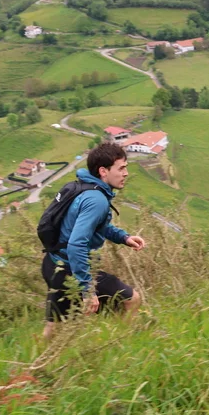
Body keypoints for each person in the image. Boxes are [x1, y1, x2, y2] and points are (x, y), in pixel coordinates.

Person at [42, 142, 146, 340]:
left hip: (53, 264)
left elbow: (95, 226)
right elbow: (76, 245)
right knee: (131, 300)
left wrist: (123, 237)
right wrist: (87, 289)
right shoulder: (96, 200)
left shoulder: (82, 187)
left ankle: (39, 358)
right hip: (70, 269)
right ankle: (123, 344)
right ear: (103, 171)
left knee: (53, 329)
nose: (126, 173)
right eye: (121, 168)